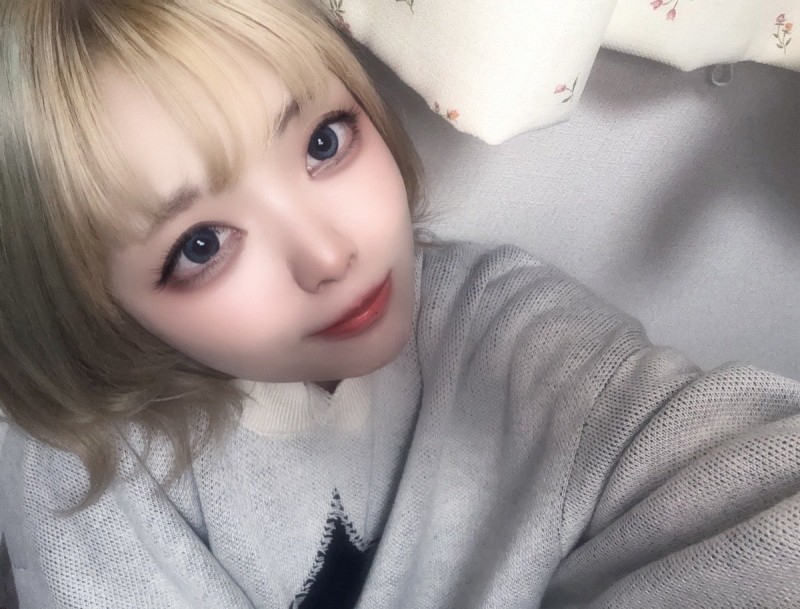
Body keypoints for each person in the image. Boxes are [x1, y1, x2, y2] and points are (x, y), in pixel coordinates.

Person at [1, 1, 799, 607]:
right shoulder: (85, 471)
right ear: (91, 305)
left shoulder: (497, 320)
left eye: (324, 141)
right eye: (202, 244)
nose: (329, 255)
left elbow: (739, 481)